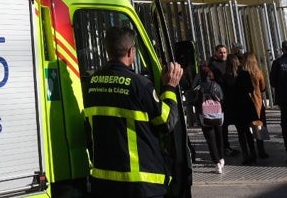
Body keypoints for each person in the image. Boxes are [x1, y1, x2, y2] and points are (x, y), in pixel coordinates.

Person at [83, 26, 184, 196]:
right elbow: (166, 121)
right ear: (131, 51)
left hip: (104, 184)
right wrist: (170, 87)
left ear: (108, 51)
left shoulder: (92, 83)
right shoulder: (139, 84)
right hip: (141, 185)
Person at [232, 51, 270, 164]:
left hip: (246, 103)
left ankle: (250, 152)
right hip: (258, 103)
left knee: (245, 131)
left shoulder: (241, 73)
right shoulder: (258, 72)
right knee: (259, 126)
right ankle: (261, 150)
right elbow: (263, 87)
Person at [194, 64, 226, 173]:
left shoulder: (199, 87)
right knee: (219, 137)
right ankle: (221, 158)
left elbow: (195, 101)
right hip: (217, 114)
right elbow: (221, 98)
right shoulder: (216, 85)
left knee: (210, 140)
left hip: (205, 116)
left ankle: (217, 162)